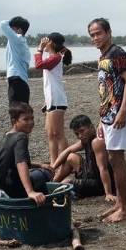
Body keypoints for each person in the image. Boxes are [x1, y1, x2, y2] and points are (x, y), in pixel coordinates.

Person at [0, 102, 54, 233]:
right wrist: (30, 191)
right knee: (46, 174)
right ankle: (37, 214)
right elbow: (21, 163)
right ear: (14, 121)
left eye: (32, 119)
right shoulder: (21, 137)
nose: (31, 122)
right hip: (12, 187)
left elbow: (11, 161)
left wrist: (39, 164)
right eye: (25, 119)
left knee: (38, 170)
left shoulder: (6, 137)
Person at [88, 17, 126, 223]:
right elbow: (105, 89)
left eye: (98, 33)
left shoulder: (117, 52)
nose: (95, 37)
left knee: (117, 160)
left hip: (118, 115)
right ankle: (119, 203)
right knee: (112, 158)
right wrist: (101, 119)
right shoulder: (103, 56)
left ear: (108, 32)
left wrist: (123, 110)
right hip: (108, 115)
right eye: (92, 35)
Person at [50, 114, 115, 201]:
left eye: (82, 131)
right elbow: (68, 150)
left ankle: (51, 188)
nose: (80, 136)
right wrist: (52, 168)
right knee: (71, 157)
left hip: (99, 183)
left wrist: (108, 193)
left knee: (67, 182)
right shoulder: (86, 139)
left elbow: (103, 168)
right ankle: (51, 183)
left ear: (91, 127)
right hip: (90, 174)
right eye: (77, 133)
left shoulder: (97, 142)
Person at [35, 32, 72, 163]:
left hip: (57, 100)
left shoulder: (56, 57)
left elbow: (38, 65)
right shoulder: (52, 56)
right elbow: (42, 60)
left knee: (59, 134)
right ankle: (53, 163)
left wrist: (40, 49)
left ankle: (66, 163)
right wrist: (42, 47)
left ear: (52, 43)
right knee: (51, 134)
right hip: (51, 101)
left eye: (47, 41)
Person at [1, 16, 31, 104]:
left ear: (19, 30)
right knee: (23, 112)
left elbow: (3, 24)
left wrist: (12, 22)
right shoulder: (22, 42)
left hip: (16, 80)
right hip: (21, 81)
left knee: (16, 112)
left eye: (12, 28)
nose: (10, 30)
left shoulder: (17, 39)